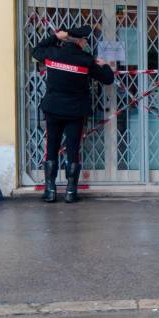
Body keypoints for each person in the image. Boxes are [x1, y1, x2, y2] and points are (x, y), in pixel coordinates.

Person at [32, 25, 114, 203]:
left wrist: (55, 37)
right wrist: (106, 65)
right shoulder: (85, 60)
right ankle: (70, 192)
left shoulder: (52, 53)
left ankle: (50, 191)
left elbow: (35, 50)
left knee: (51, 147)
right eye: (85, 40)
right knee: (73, 149)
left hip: (53, 109)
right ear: (80, 41)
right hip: (75, 111)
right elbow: (108, 79)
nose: (86, 43)